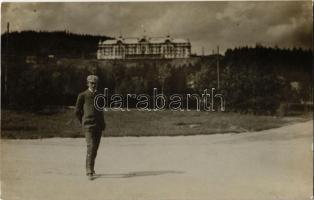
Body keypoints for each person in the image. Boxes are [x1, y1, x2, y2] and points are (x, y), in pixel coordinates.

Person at [75, 75, 105, 180]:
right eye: (91, 83)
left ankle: (91, 168)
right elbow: (77, 111)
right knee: (91, 146)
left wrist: (103, 123)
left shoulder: (100, 95)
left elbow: (100, 111)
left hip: (98, 125)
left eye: (95, 83)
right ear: (87, 83)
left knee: (95, 148)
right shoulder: (82, 95)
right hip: (88, 125)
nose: (93, 85)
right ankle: (89, 171)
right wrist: (83, 121)